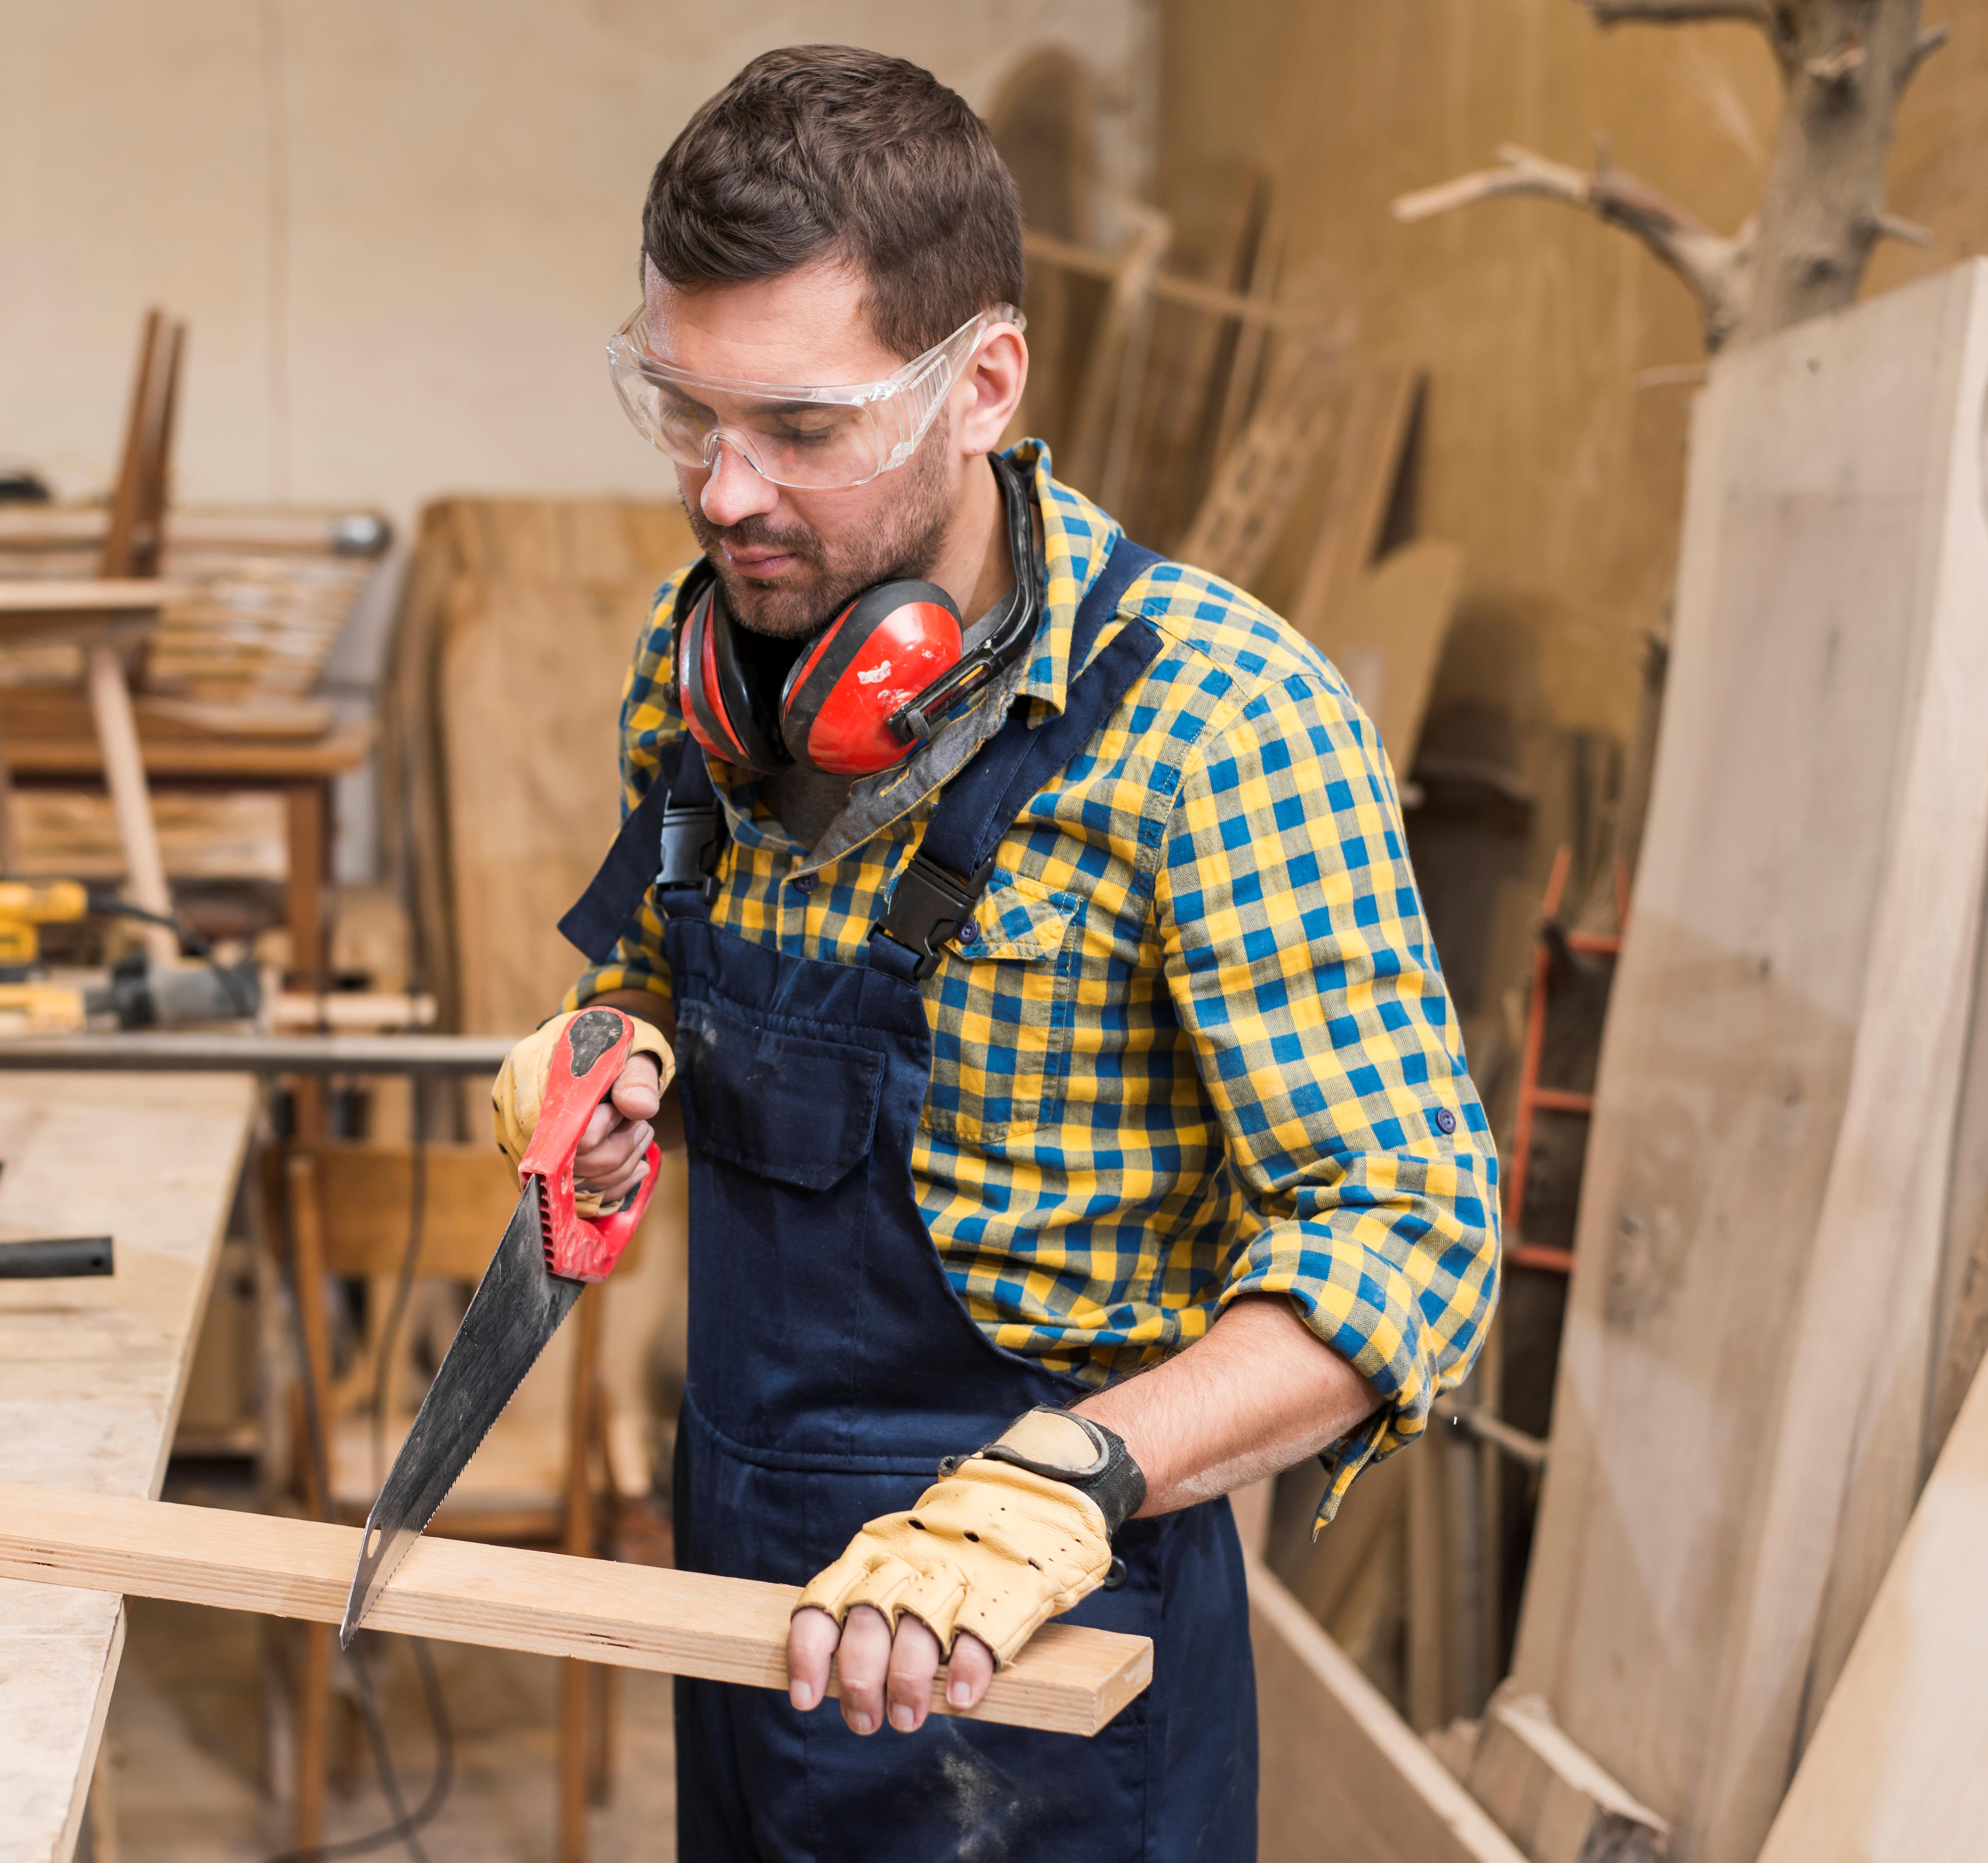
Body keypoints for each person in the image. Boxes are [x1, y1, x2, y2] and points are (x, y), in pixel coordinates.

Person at [490, 44, 1500, 1863]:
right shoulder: (707, 643)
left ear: (985, 385)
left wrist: (1072, 1480)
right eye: (683, 414)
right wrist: (605, 1056)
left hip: (1045, 1663)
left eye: (800, 429)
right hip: (744, 1602)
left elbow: (1410, 1235)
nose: (724, 496)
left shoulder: (1217, 726)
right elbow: (649, 955)